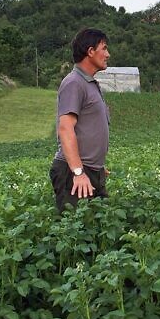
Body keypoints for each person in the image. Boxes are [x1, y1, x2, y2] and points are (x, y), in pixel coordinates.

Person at [49, 28, 111, 213]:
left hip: (91, 170)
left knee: (97, 230)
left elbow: (88, 128)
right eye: (104, 48)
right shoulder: (74, 82)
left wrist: (96, 165)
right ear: (90, 51)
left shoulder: (88, 83)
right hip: (74, 173)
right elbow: (66, 128)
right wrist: (78, 171)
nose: (108, 54)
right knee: (75, 233)